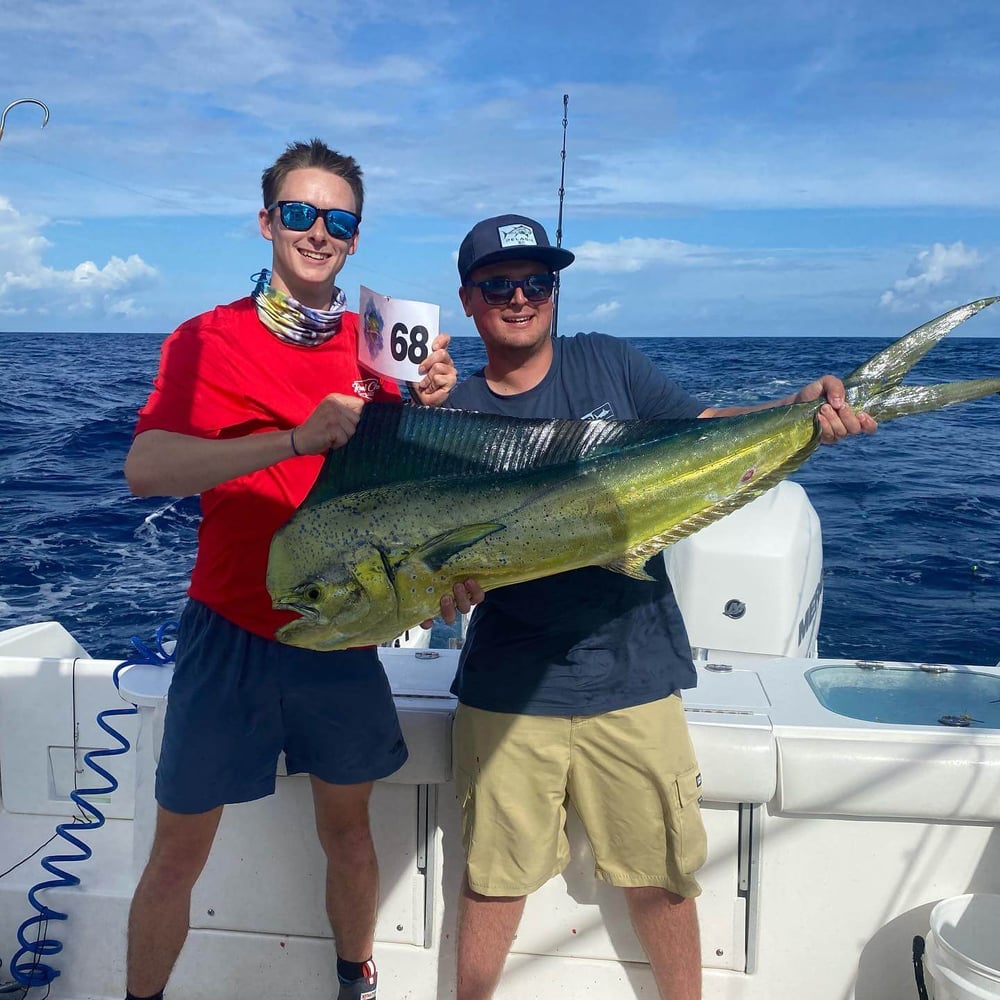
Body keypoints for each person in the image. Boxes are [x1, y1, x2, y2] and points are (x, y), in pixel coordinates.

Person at [447, 214, 877, 1000]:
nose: (520, 298)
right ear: (469, 300)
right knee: (493, 883)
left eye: (536, 282)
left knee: (661, 879)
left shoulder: (606, 360)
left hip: (634, 671)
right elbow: (444, 562)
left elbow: (704, 434)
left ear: (554, 291)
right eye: (498, 285)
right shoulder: (453, 419)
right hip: (509, 685)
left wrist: (799, 412)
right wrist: (448, 588)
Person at [122, 139, 470, 1000]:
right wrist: (289, 440)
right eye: (300, 213)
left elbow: (414, 485)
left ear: (357, 236)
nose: (318, 231)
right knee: (177, 851)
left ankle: (356, 981)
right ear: (267, 219)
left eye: (338, 219)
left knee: (349, 833)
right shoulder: (206, 339)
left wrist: (436, 399)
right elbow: (146, 469)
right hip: (228, 628)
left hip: (342, 633)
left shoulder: (381, 342)